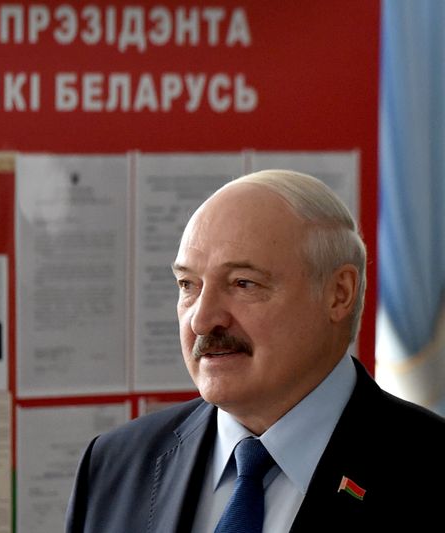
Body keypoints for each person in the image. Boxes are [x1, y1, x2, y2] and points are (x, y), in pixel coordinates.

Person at [66, 170, 445, 532]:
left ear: (339, 294)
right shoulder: (115, 464)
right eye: (188, 285)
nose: (202, 320)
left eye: (243, 283)